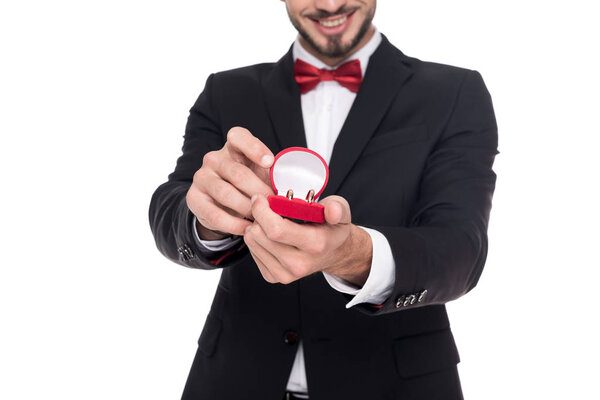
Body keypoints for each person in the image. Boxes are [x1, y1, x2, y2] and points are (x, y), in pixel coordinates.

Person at [149, 0, 498, 398]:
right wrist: (210, 219)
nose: (330, 4)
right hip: (234, 381)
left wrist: (352, 254)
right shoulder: (226, 91)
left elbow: (461, 249)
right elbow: (171, 206)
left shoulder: (455, 92)